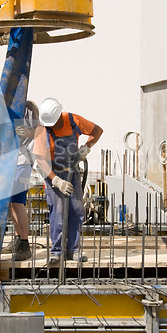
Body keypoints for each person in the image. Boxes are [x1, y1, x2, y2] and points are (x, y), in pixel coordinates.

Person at [33, 98, 103, 266]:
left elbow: (97, 131)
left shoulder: (73, 121)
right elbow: (40, 161)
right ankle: (57, 251)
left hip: (73, 172)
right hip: (53, 173)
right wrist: (56, 181)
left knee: (76, 208)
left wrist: (86, 148)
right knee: (57, 210)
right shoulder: (42, 129)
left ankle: (74, 250)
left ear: (58, 117)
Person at [2, 101, 39, 261]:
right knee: (11, 202)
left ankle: (24, 243)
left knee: (17, 202)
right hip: (10, 161)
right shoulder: (7, 110)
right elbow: (0, 136)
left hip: (24, 160)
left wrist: (27, 132)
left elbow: (39, 132)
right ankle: (18, 238)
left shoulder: (28, 107)